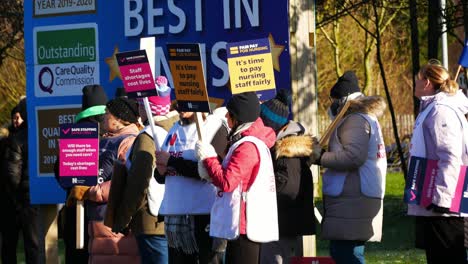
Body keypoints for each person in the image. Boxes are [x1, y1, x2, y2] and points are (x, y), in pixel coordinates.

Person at [309, 71, 387, 264]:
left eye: (334, 99)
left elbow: (353, 157)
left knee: (347, 255)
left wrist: (320, 157)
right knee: (348, 252)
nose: (331, 104)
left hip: (353, 196)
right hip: (354, 196)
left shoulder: (355, 119)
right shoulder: (362, 117)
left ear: (342, 99)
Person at [196, 92, 279, 264]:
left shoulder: (247, 146)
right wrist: (210, 172)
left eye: (230, 114)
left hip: (244, 226)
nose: (226, 117)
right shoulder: (246, 142)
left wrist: (209, 158)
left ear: (239, 118)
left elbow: (227, 183)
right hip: (242, 224)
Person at [67, 97, 141, 263]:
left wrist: (90, 191)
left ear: (119, 119)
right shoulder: (107, 139)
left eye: (107, 113)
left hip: (114, 221)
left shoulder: (129, 142)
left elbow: (124, 181)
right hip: (97, 218)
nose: (103, 116)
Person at [409, 60, 468, 263]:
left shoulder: (440, 110)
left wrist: (443, 197)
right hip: (432, 199)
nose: (414, 84)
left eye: (417, 80)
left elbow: (450, 154)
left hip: (442, 204)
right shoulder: (433, 108)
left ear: (427, 83)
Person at [154, 103, 229, 264]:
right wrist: (160, 171)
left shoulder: (213, 128)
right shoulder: (175, 128)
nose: (181, 106)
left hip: (204, 215)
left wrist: (171, 161)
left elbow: (209, 173)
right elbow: (163, 176)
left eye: (186, 99)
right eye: (179, 100)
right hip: (176, 216)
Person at [105, 90, 172, 263]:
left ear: (147, 108)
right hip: (172, 219)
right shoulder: (177, 130)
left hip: (151, 220)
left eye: (141, 105)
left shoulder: (147, 138)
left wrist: (123, 218)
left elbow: (139, 183)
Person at [258, 89, 316, 264]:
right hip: (284, 222)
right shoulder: (290, 147)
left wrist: (260, 197)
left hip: (281, 223)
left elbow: (287, 189)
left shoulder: (287, 152)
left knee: (273, 259)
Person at [54, 84, 109, 264]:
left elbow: (60, 175)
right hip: (102, 213)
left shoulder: (72, 135)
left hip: (75, 212)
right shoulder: (110, 135)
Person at [3, 98, 46, 264]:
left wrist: (18, 198)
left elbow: (12, 175)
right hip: (48, 193)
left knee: (32, 246)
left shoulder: (17, 139)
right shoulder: (44, 133)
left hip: (27, 198)